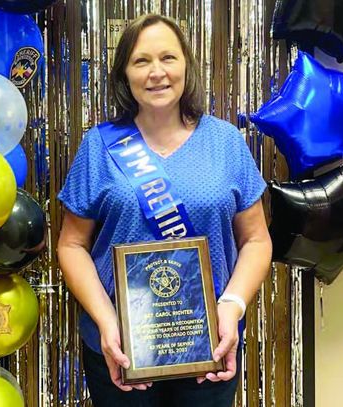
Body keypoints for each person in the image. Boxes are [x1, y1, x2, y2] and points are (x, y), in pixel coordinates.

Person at [57, 14, 272, 407]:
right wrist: (108, 323)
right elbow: (71, 245)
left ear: (186, 65)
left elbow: (256, 239)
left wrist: (232, 305)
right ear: (124, 73)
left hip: (209, 341)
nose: (156, 72)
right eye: (141, 61)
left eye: (168, 58)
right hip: (122, 347)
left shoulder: (224, 141)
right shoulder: (99, 146)